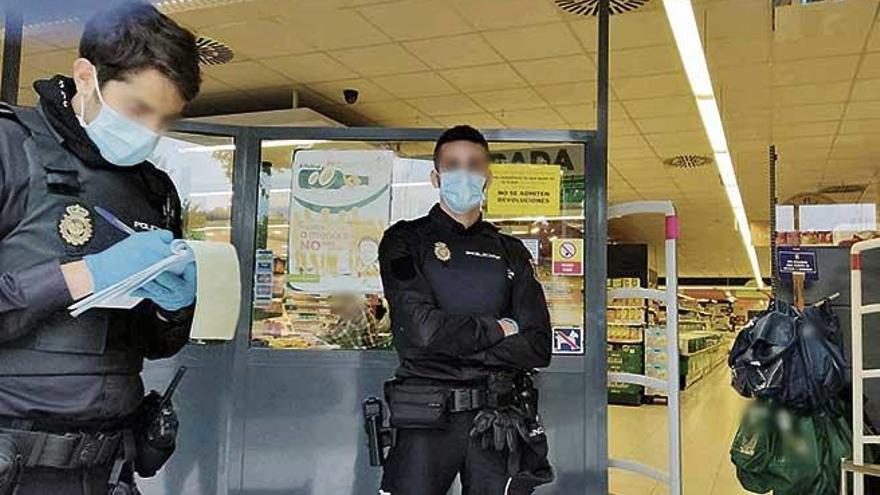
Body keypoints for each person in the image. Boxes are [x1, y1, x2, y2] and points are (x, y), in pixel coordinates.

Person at [0, 3, 201, 493]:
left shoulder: (156, 191)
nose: (151, 132)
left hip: (110, 467)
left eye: (165, 119)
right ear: (86, 77)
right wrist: (82, 276)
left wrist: (175, 308)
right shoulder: (11, 150)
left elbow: (155, 344)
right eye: (138, 109)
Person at [377, 125, 554, 495]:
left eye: (473, 165)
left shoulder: (511, 251)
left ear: (486, 178)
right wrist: (502, 328)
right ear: (436, 177)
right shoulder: (404, 240)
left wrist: (450, 341)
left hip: (498, 421)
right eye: (453, 165)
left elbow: (537, 344)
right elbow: (421, 332)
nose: (464, 174)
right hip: (425, 418)